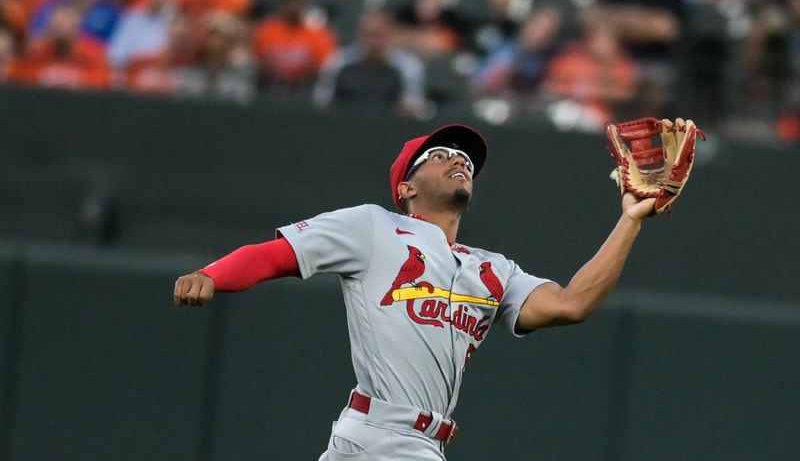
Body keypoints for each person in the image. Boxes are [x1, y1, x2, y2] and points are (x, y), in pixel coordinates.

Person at [174, 122, 657, 459]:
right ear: (406, 188)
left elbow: (573, 304)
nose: (459, 161)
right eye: (442, 155)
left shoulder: (494, 269)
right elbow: (274, 254)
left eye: (465, 158)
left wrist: (630, 220)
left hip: (412, 444)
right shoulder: (373, 227)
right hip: (383, 434)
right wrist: (213, 275)